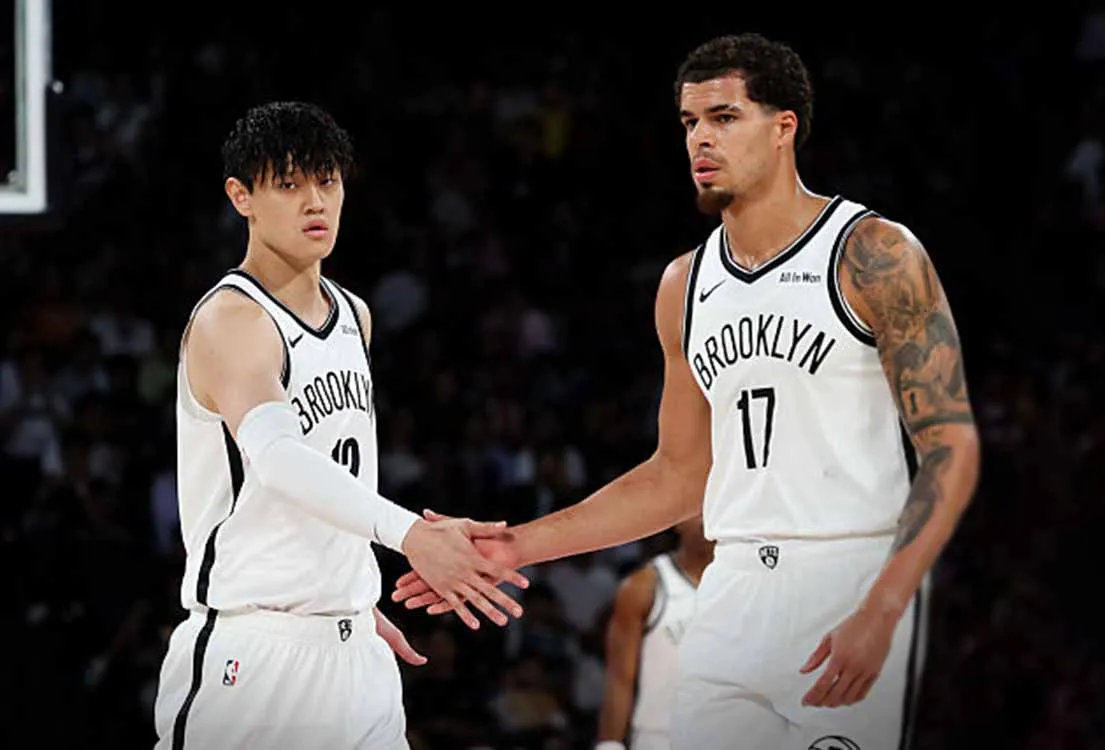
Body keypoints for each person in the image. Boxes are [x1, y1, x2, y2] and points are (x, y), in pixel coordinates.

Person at [397, 32, 980, 749]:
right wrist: (513, 548)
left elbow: (951, 446)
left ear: (783, 129)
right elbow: (678, 478)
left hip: (850, 578)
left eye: (724, 118)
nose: (701, 139)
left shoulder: (873, 253)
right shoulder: (685, 285)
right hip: (732, 588)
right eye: (689, 123)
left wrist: (887, 604)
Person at [153, 101, 527, 750]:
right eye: (289, 184)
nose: (314, 202)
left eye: (327, 181)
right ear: (241, 197)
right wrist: (411, 534)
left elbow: (334, 471)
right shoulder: (231, 321)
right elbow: (276, 457)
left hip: (355, 651)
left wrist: (345, 594)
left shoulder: (355, 313)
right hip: (255, 653)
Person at [595, 517, 713, 750]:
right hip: (659, 737)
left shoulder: (745, 585)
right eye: (698, 508)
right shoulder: (644, 586)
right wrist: (609, 744)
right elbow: (620, 678)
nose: (706, 517)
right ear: (678, 520)